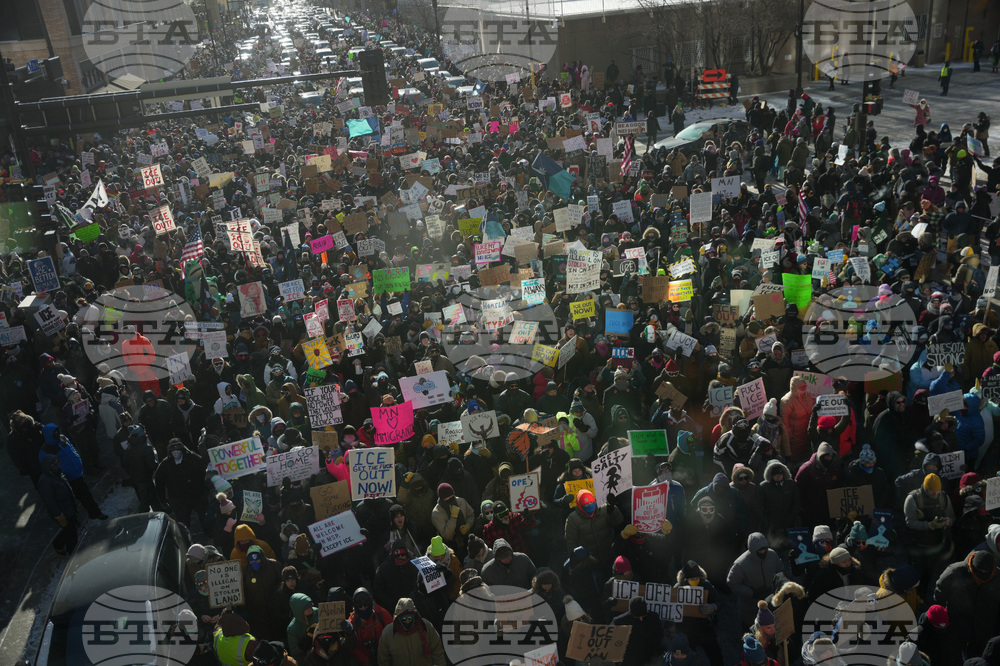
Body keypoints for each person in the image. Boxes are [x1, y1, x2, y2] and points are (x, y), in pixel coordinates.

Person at [376, 598, 445, 666]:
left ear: (415, 616)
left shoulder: (426, 627)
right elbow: (383, 660)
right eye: (404, 619)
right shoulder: (388, 633)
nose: (407, 621)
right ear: (398, 618)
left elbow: (438, 653)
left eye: (410, 618)